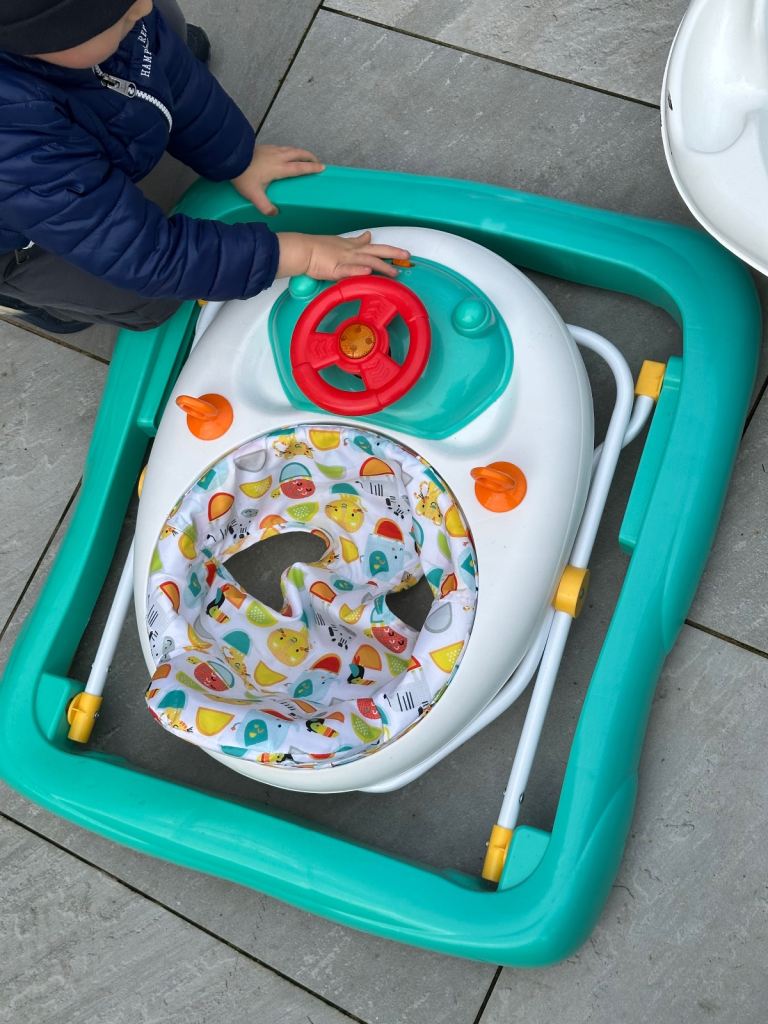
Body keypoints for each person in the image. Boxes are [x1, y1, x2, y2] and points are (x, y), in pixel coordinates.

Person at [0, 0, 408, 334]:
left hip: (57, 135)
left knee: (163, 23)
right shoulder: (16, 134)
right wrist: (300, 253)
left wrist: (237, 156)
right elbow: (146, 255)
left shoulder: (121, 16)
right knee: (149, 302)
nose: (143, 6)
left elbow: (174, 69)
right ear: (37, 38)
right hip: (19, 242)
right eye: (115, 12)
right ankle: (24, 297)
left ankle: (111, 92)